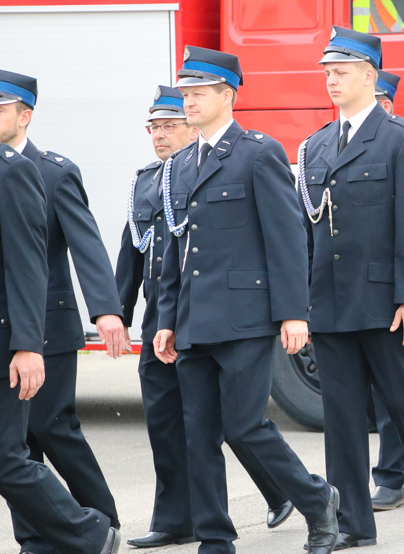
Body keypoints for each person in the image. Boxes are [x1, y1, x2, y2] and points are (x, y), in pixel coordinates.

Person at [153, 46, 339, 554]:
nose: (186, 101)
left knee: (245, 427)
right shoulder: (184, 162)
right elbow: (177, 248)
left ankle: (317, 500)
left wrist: (293, 314)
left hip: (243, 319)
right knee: (199, 436)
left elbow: (286, 239)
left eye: (197, 93)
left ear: (227, 94)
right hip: (193, 320)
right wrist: (166, 318)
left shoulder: (258, 152)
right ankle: (215, 538)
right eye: (184, 92)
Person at [0, 49, 120, 554]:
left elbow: (27, 266)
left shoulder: (10, 171)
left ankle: (91, 534)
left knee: (3, 460)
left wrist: (28, 345)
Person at [299, 26, 404, 548]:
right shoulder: (316, 146)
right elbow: (308, 230)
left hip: (384, 302)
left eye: (341, 72)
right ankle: (353, 524)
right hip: (329, 301)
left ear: (370, 76)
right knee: (342, 417)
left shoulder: (403, 139)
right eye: (327, 73)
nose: (332, 81)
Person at [368, 68, 404, 510]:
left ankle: (399, 475)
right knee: (376, 396)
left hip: (398, 294)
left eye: (385, 103)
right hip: (359, 295)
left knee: (401, 396)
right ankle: (403, 474)